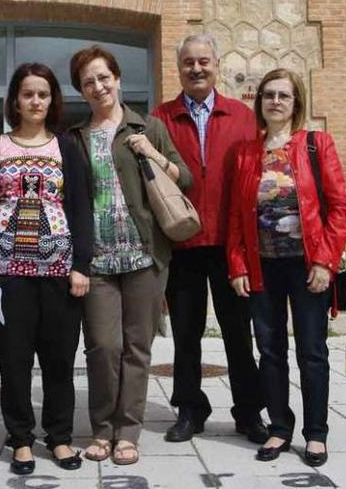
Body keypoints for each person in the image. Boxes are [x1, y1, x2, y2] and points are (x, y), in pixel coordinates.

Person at [67, 45, 192, 465]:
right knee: (102, 345)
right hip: (97, 261)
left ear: (117, 79)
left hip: (144, 254)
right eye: (88, 82)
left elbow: (185, 177)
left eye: (104, 77)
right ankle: (101, 429)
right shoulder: (76, 137)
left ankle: (127, 433)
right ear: (81, 91)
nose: (98, 86)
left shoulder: (148, 127)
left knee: (137, 347)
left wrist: (151, 151)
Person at [0, 62, 93, 476]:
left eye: (43, 94)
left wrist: (81, 265)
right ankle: (20, 439)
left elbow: (79, 209)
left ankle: (59, 438)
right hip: (7, 274)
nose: (36, 101)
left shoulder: (66, 148)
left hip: (59, 273)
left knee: (60, 360)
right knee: (14, 361)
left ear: (52, 100)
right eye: (28, 94)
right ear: (16, 101)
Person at [228, 68, 346, 467]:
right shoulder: (246, 153)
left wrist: (325, 261)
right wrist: (237, 265)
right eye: (269, 95)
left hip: (306, 265)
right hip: (263, 266)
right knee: (270, 351)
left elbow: (339, 208)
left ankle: (316, 434)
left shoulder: (316, 145)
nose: (276, 101)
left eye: (284, 95)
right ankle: (279, 427)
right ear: (259, 102)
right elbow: (234, 215)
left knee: (312, 352)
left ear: (296, 103)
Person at [151, 34, 267, 444]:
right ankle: (189, 409)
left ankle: (249, 412)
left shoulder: (242, 116)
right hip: (182, 244)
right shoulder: (160, 119)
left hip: (230, 245)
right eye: (188, 63)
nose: (196, 69)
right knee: (185, 334)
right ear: (178, 67)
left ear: (217, 64)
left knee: (239, 333)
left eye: (203, 61)